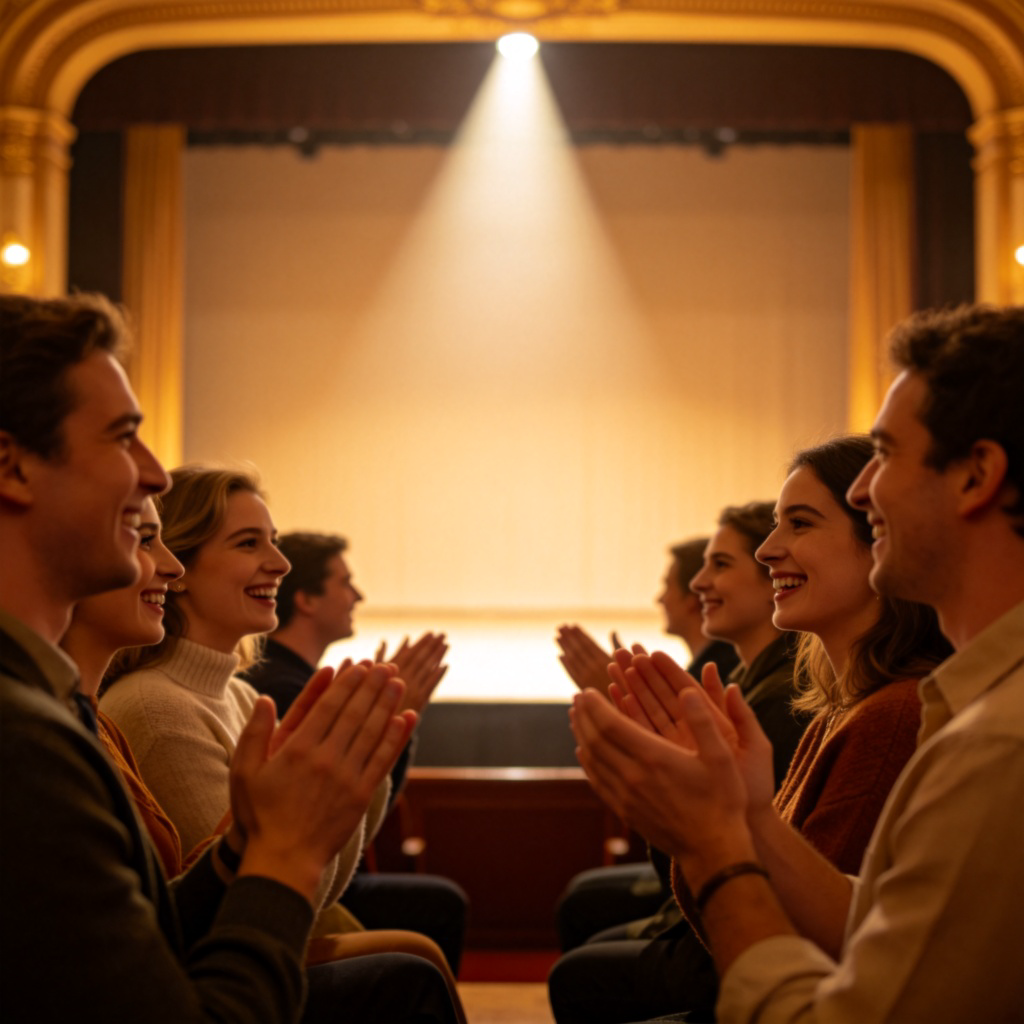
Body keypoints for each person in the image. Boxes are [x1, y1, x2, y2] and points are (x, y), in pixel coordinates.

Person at [0, 293, 456, 1023]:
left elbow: (150, 933)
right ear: (13, 467)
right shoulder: (23, 738)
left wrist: (244, 847)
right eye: (123, 439)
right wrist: (279, 860)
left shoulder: (50, 705)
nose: (153, 473)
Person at [572, 304, 1024, 1023]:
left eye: (886, 453)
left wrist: (715, 847)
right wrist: (745, 813)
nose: (861, 488)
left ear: (976, 477)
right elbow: (869, 922)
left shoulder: (997, 742)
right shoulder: (964, 708)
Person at [596, 435, 951, 1021]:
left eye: (801, 524)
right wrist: (713, 811)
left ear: (879, 544)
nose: (768, 550)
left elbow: (808, 942)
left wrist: (712, 824)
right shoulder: (841, 707)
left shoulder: (894, 716)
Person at [549, 503, 808, 1023]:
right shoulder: (750, 682)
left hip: (724, 936)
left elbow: (725, 848)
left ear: (773, 580)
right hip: (709, 915)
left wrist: (650, 745)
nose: (698, 585)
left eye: (721, 565)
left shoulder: (778, 698)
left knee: (579, 967)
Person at [244, 530, 468, 973]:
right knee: (440, 904)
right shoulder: (284, 689)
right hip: (307, 882)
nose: (358, 595)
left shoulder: (295, 677)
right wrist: (390, 725)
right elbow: (347, 817)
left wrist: (391, 723)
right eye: (345, 582)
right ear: (306, 599)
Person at [554, 538, 740, 952]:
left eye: (666, 584)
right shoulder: (707, 669)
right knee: (582, 896)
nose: (659, 597)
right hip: (695, 874)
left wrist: (632, 713)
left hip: (704, 887)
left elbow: (687, 808)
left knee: (581, 940)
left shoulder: (723, 678)